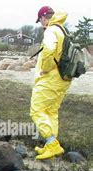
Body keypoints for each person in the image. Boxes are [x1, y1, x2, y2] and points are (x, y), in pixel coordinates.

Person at [30, 6, 71, 160]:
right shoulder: (63, 29)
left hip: (50, 79)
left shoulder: (51, 30)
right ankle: (51, 145)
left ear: (43, 18)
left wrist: (45, 69)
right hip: (62, 78)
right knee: (51, 112)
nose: (41, 24)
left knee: (37, 111)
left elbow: (48, 50)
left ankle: (52, 144)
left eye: (40, 20)